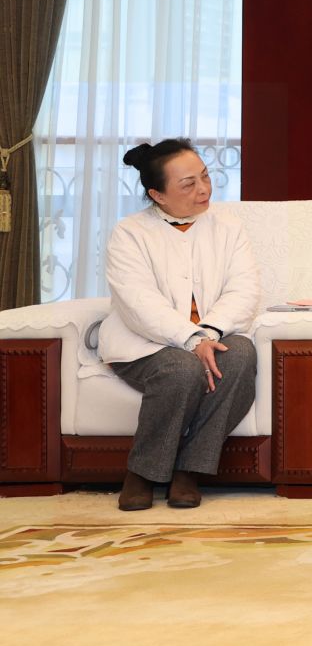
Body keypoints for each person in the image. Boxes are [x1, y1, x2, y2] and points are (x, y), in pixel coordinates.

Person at [100, 139, 261, 511]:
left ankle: (189, 470)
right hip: (144, 345)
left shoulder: (228, 227)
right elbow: (138, 303)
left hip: (213, 335)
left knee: (240, 355)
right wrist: (191, 340)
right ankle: (142, 473)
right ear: (157, 195)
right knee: (182, 369)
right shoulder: (129, 233)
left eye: (204, 176)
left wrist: (208, 334)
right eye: (188, 184)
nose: (203, 189)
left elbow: (244, 288)